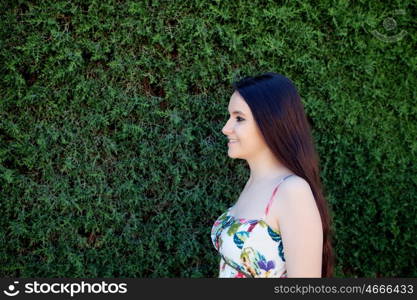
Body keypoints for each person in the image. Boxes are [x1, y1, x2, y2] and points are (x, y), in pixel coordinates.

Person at [210, 72, 335, 278]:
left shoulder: (292, 191)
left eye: (239, 118)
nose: (226, 128)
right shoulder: (255, 182)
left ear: (270, 123)